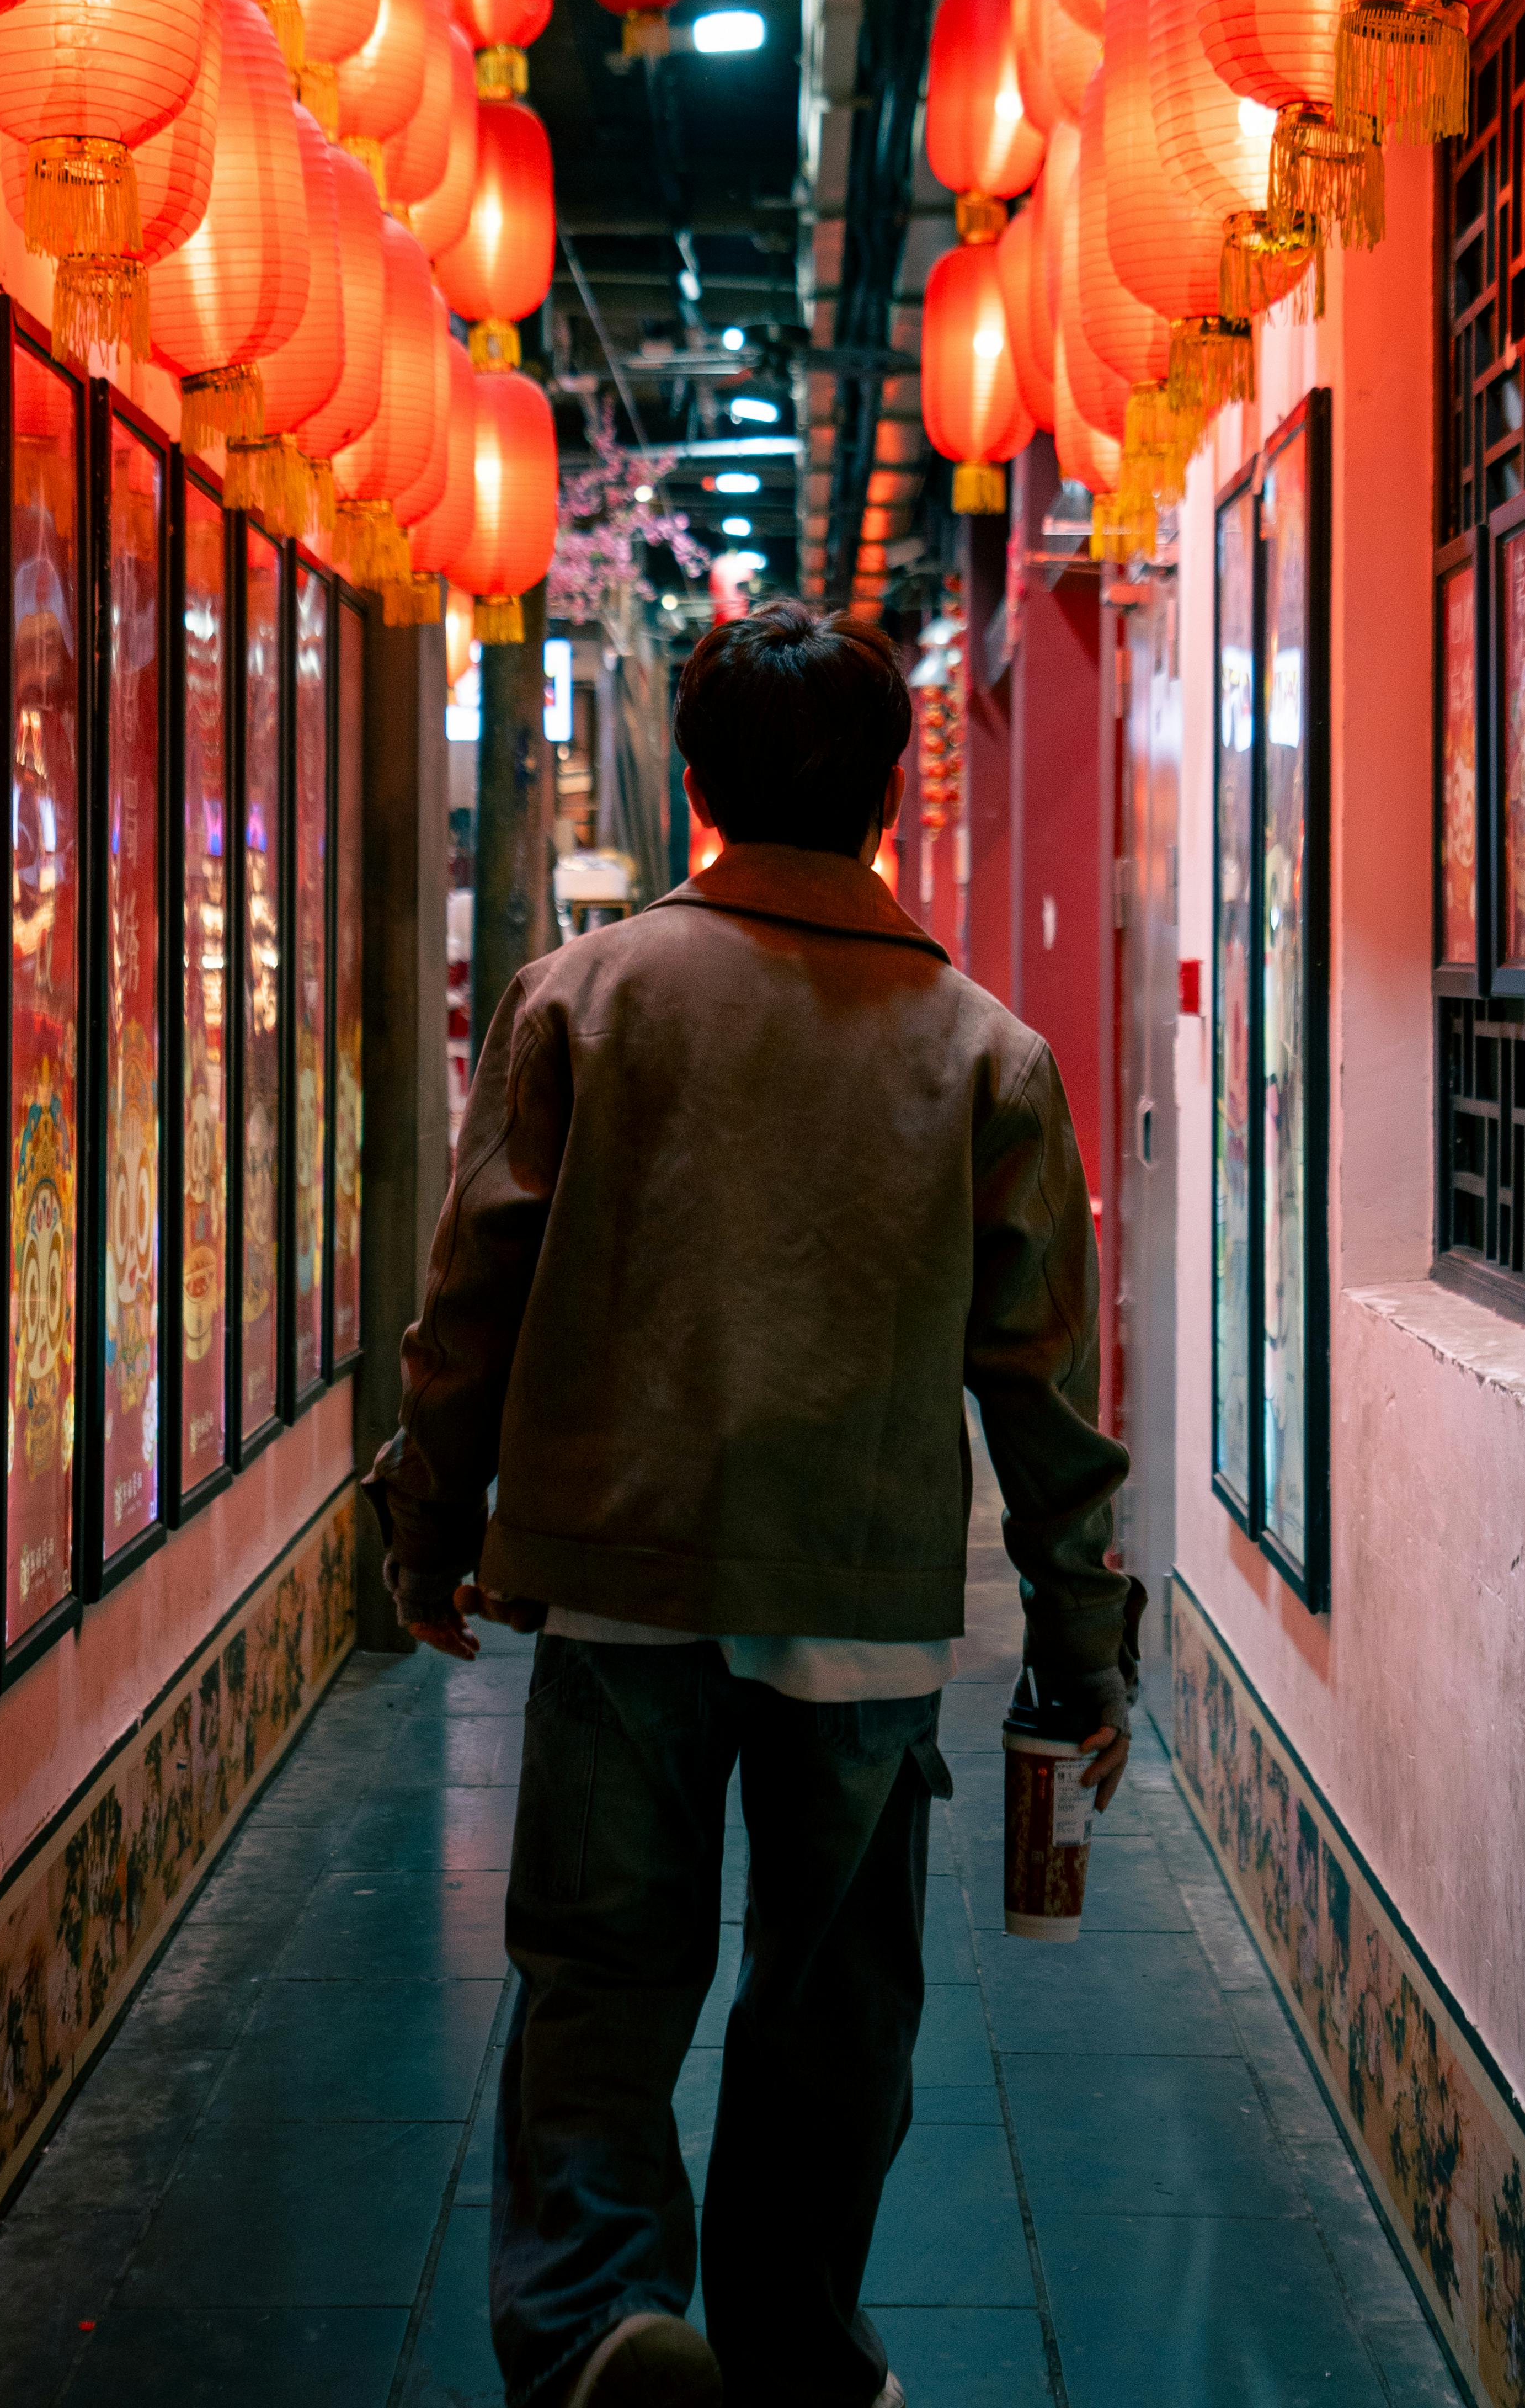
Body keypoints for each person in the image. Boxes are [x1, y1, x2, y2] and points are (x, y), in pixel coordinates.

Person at [365, 600, 1131, 2408]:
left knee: (601, 1982)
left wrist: (426, 1519)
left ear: (697, 788)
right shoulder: (984, 1052)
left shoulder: (585, 1001)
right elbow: (1040, 1390)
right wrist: (1080, 1645)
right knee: (832, 2005)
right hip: (860, 1612)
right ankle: (794, 2347)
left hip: (624, 1587)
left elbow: (474, 1289)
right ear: (886, 798)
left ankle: (602, 2329)